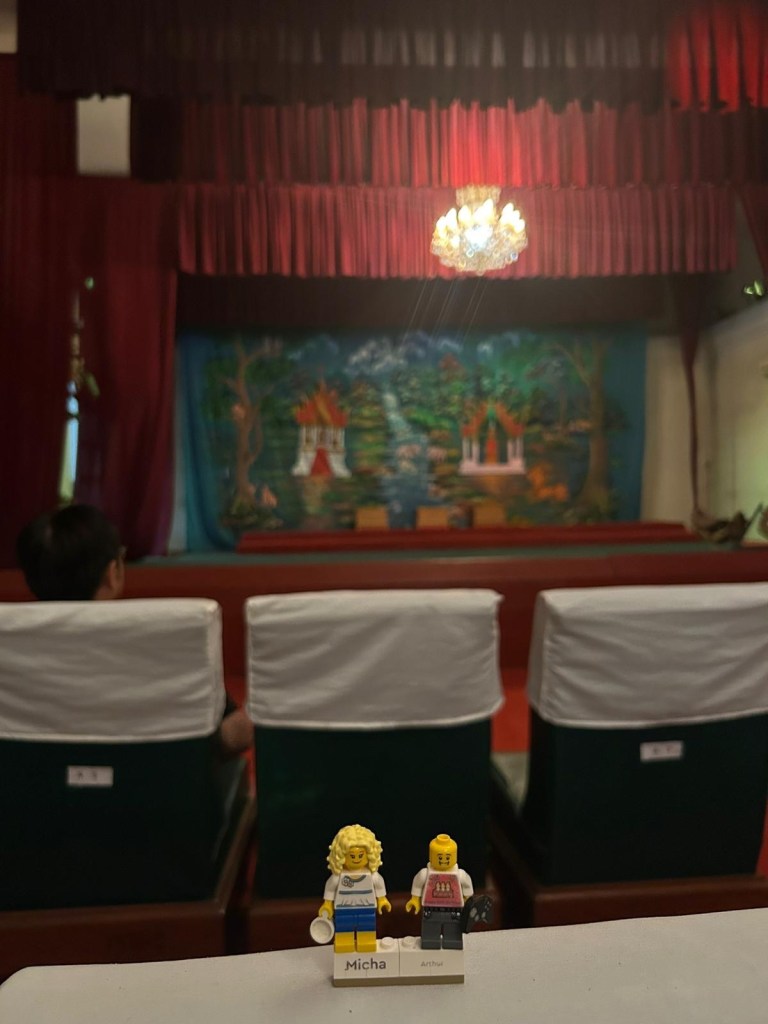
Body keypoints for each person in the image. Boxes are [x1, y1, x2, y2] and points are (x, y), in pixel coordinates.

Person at [15, 504, 253, 757]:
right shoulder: (168, 645)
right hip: (158, 781)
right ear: (112, 574)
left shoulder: (13, 652)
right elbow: (227, 739)